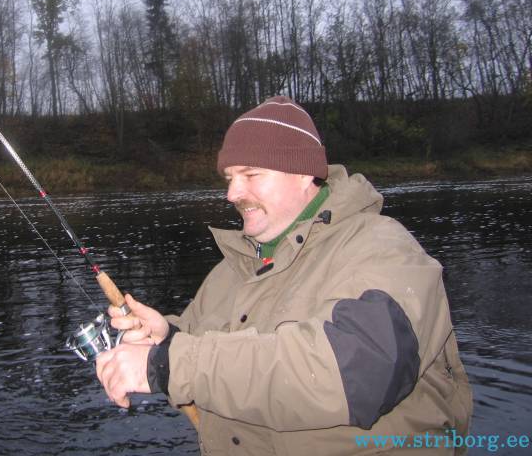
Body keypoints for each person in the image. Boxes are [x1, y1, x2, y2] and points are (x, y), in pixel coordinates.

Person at [95, 96, 473, 455]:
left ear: (304, 173)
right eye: (229, 177)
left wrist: (172, 365)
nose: (232, 193)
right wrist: (167, 337)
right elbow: (204, 354)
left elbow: (357, 373)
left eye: (251, 174)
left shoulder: (383, 247)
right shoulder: (230, 271)